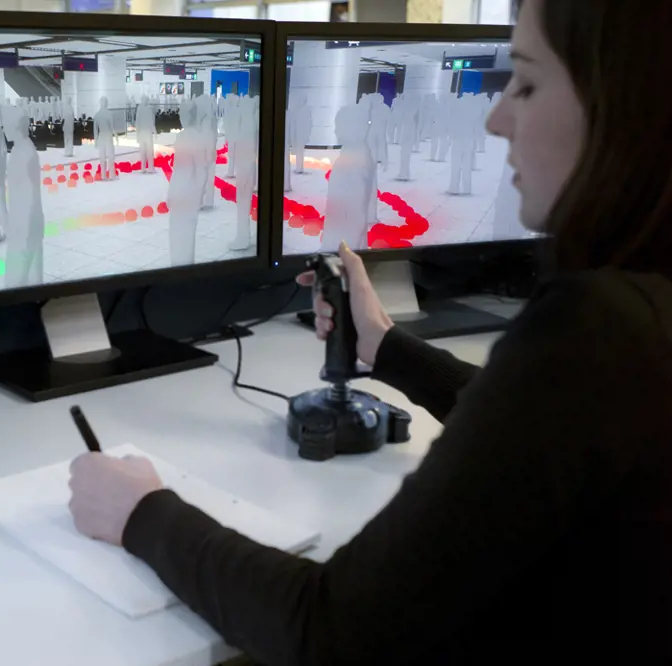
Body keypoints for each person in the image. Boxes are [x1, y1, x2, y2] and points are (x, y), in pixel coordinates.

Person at [67, 1, 672, 663]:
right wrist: (383, 346)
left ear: (624, 106)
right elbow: (551, 429)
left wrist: (143, 515)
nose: (497, 118)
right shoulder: (638, 320)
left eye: (525, 83)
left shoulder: (597, 330)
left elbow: (329, 628)